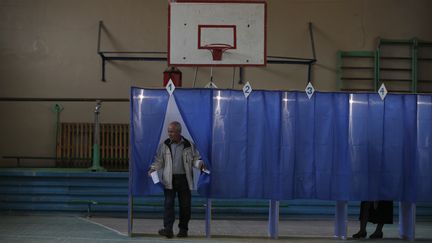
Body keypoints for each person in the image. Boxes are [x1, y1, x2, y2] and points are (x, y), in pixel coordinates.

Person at [148, 121, 206, 238]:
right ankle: (168, 229)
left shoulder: (189, 145)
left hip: (184, 179)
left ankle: (183, 230)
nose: (169, 134)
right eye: (169, 131)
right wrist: (153, 169)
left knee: (185, 206)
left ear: (179, 132)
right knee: (168, 204)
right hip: (169, 179)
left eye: (172, 132)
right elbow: (159, 161)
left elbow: (195, 159)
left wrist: (200, 165)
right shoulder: (164, 145)